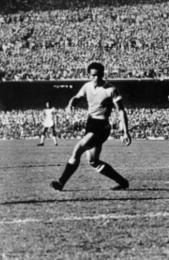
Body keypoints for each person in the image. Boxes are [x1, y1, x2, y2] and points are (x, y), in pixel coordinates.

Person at [50, 62, 131, 191]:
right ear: (89, 75)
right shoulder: (87, 86)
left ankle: (61, 182)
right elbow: (76, 97)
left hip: (101, 126)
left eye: (99, 75)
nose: (96, 78)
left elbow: (121, 110)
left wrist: (125, 132)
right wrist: (70, 104)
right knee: (93, 161)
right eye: (93, 75)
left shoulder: (111, 90)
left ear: (103, 74)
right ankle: (123, 182)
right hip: (90, 123)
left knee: (78, 149)